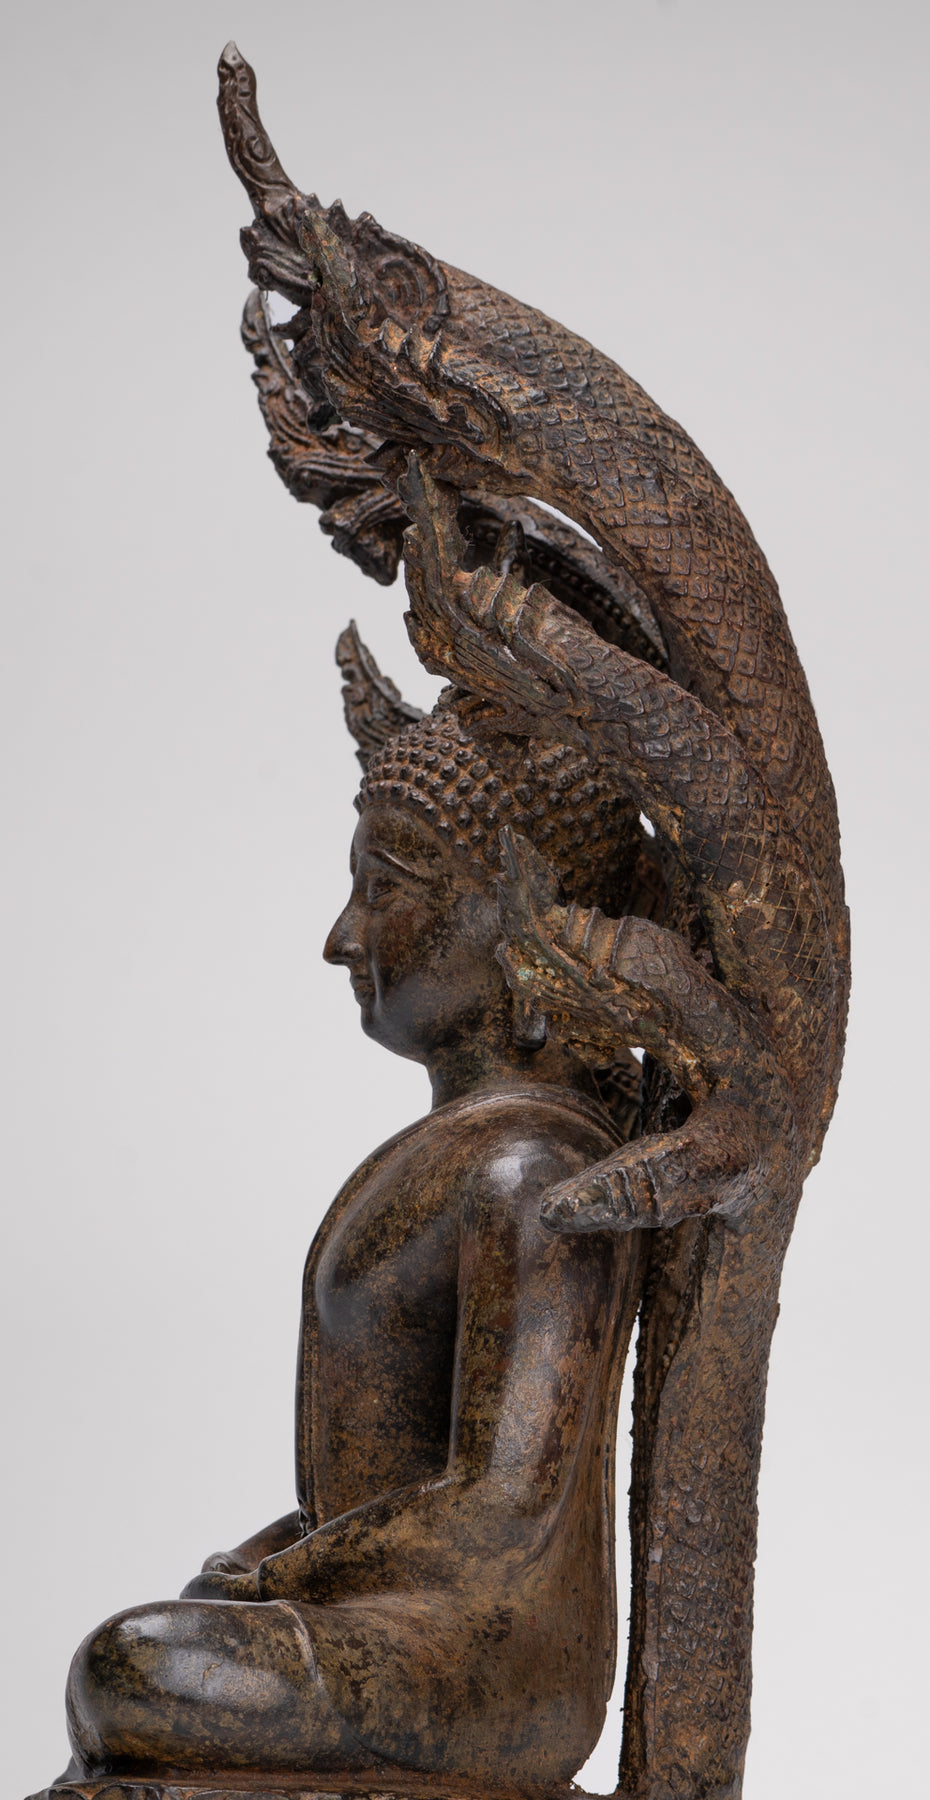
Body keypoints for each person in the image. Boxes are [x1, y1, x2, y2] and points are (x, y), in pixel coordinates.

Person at [62, 691, 649, 1790]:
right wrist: (261, 1558)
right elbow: (375, 1493)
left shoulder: (538, 1171)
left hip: (490, 1668)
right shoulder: (459, 1154)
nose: (342, 938)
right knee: (143, 1662)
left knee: (129, 1666)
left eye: (386, 890)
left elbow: (501, 1505)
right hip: (390, 1622)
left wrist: (278, 1580)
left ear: (524, 927)